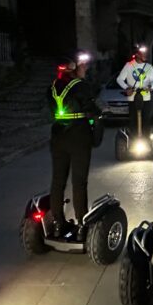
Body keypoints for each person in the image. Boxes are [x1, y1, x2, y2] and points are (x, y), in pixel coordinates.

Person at [48, 50, 101, 239]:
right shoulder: (80, 86)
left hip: (58, 135)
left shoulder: (53, 86)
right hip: (79, 135)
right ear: (73, 68)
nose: (85, 68)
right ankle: (81, 225)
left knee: (58, 181)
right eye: (83, 65)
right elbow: (92, 109)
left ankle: (57, 223)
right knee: (79, 182)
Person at [116, 44, 153, 141]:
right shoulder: (129, 65)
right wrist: (127, 88)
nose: (145, 55)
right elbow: (119, 79)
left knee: (146, 121)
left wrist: (151, 86)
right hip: (133, 97)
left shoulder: (148, 67)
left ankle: (146, 141)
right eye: (143, 53)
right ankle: (134, 141)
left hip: (146, 97)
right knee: (133, 121)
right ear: (137, 54)